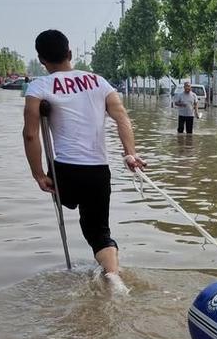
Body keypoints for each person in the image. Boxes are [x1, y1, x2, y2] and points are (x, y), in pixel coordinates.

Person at [22, 29, 146, 292]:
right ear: (70, 54)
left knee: (66, 200)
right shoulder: (100, 82)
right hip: (98, 171)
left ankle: (66, 199)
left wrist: (38, 175)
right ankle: (113, 276)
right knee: (98, 231)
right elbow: (122, 117)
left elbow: (31, 135)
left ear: (42, 60)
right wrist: (130, 153)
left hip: (64, 172)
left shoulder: (39, 86)